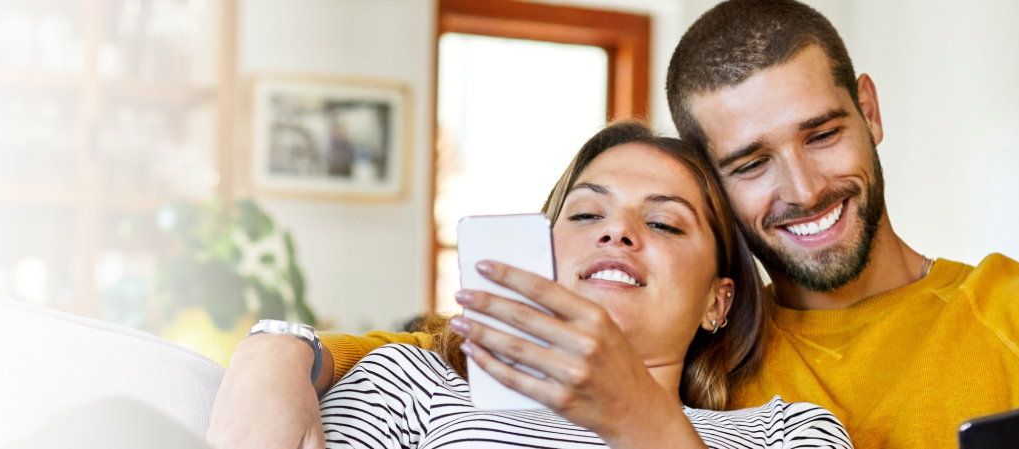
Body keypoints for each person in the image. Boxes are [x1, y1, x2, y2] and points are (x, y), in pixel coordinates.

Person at [206, 2, 1019, 448]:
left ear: (867, 108)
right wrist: (277, 348)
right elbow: (404, 363)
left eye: (823, 133)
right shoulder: (424, 384)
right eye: (750, 162)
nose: (802, 186)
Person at [317, 121, 850, 448]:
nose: (617, 230)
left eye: (664, 222)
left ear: (718, 301)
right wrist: (278, 345)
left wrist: (641, 423)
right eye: (586, 214)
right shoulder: (410, 385)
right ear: (540, 251)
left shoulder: (788, 435)